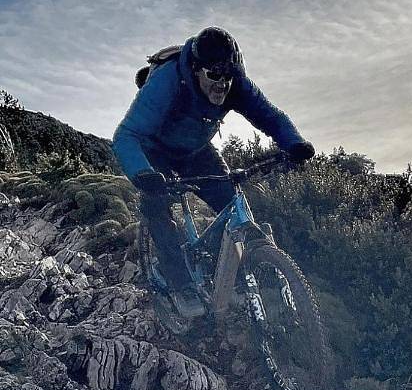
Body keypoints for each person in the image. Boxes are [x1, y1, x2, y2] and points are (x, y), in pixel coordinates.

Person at [112, 27, 314, 318]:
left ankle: (248, 273)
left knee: (231, 202)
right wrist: (143, 173)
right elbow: (126, 135)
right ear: (195, 70)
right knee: (157, 208)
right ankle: (180, 283)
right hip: (154, 149)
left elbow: (271, 116)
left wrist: (294, 143)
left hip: (196, 150)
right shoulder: (168, 81)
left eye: (229, 76)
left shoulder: (235, 83)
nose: (223, 84)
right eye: (214, 76)